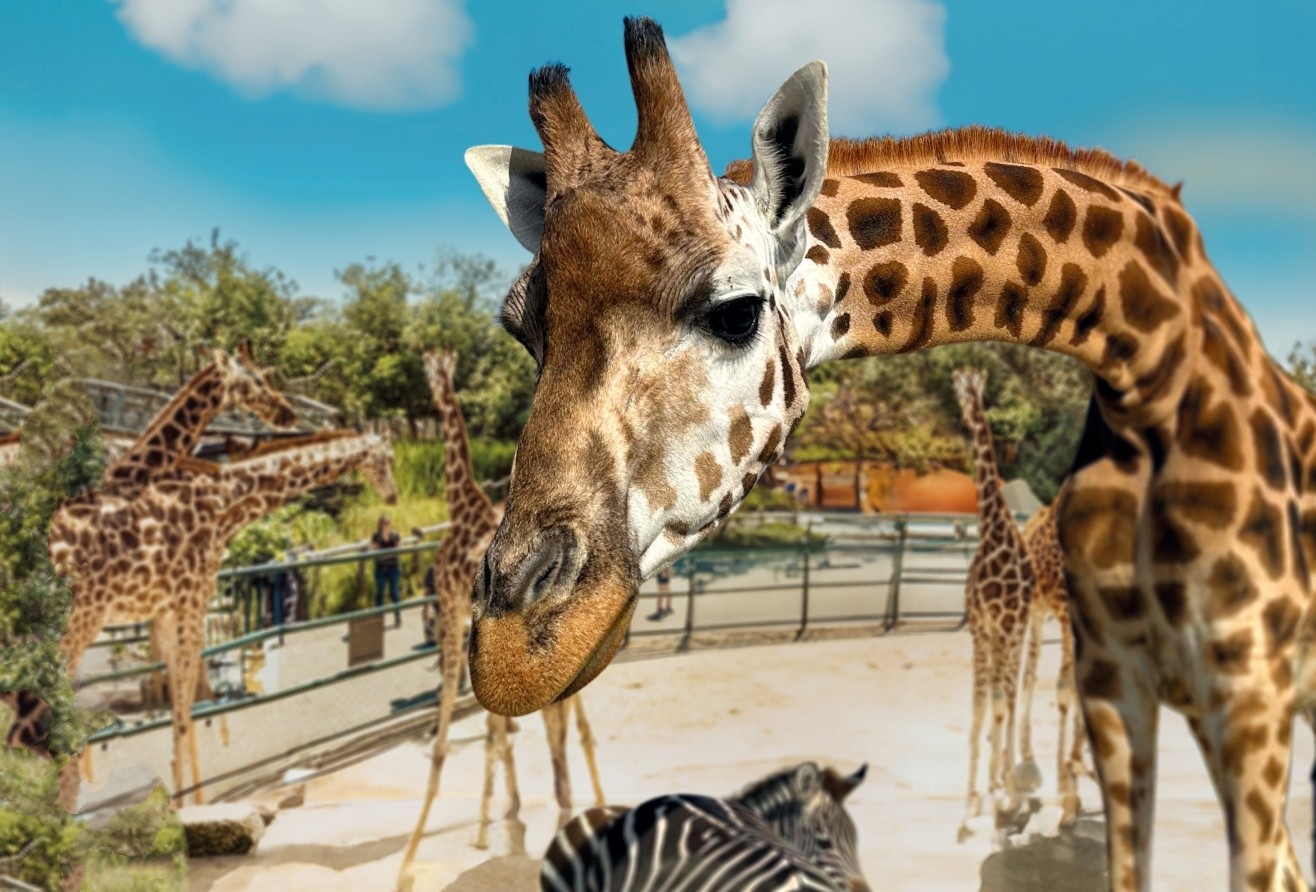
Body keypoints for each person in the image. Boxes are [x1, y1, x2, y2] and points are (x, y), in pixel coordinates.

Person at [371, 514, 402, 626]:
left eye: (388, 523)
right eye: (384, 523)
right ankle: (378, 618)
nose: (386, 525)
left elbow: (399, 549)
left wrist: (385, 554)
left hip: (393, 567)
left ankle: (397, 617)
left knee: (394, 592)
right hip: (381, 569)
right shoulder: (376, 536)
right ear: (380, 524)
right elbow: (374, 549)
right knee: (380, 593)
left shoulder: (395, 535)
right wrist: (388, 554)